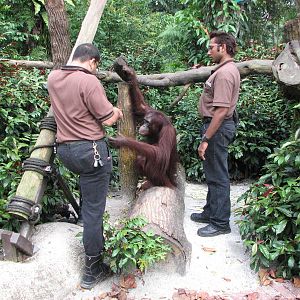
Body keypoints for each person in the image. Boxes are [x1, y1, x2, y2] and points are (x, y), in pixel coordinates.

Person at [47, 43, 123, 289]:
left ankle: (84, 225)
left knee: (86, 187)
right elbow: (108, 119)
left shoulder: (54, 77)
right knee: (94, 210)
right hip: (90, 152)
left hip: (66, 152)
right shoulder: (88, 81)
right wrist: (118, 112)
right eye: (96, 66)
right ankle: (93, 269)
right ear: (92, 61)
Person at [191, 31, 240, 237]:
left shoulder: (225, 74)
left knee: (218, 176)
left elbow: (220, 111)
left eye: (212, 47)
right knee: (213, 173)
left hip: (216, 128)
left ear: (223, 48)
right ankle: (211, 212)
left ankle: (220, 223)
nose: (208, 50)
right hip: (215, 127)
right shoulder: (222, 70)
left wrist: (206, 139)